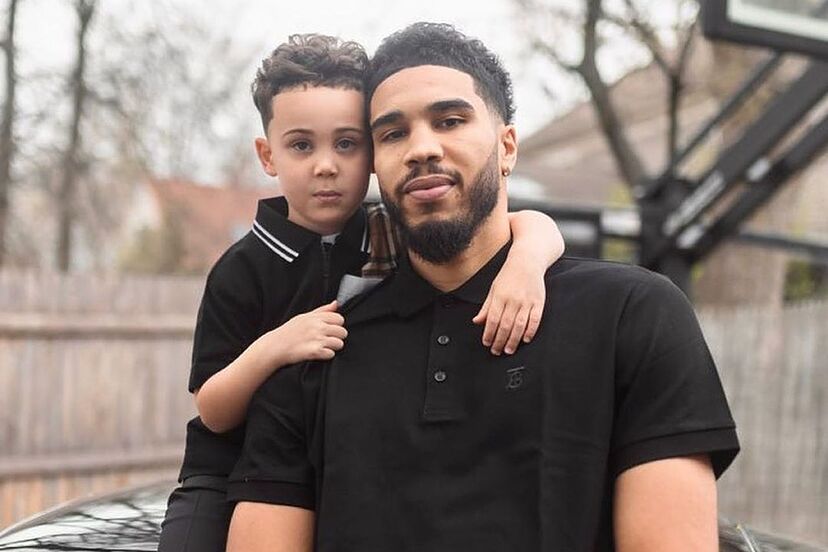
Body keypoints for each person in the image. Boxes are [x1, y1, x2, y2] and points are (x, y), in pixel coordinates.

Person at [226, 22, 740, 552]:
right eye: (392, 133)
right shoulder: (314, 347)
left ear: (507, 146)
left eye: (450, 120)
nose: (422, 148)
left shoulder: (633, 315)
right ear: (376, 164)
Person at [156, 33, 565, 552]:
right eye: (302, 145)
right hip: (224, 475)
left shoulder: (387, 231)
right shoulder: (242, 270)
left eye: (347, 143)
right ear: (268, 154)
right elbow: (212, 410)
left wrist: (525, 264)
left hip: (338, 462)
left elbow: (529, 223)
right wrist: (277, 345)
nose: (326, 165)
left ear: (373, 153)